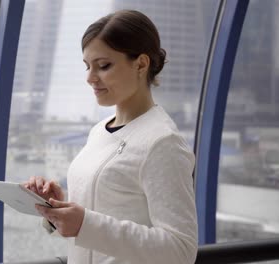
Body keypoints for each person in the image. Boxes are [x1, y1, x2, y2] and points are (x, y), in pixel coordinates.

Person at [25, 9, 198, 264]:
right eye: (87, 66)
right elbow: (107, 213)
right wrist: (59, 206)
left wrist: (85, 224)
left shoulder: (163, 143)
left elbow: (181, 250)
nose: (90, 78)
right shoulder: (99, 130)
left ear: (141, 64)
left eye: (103, 66)